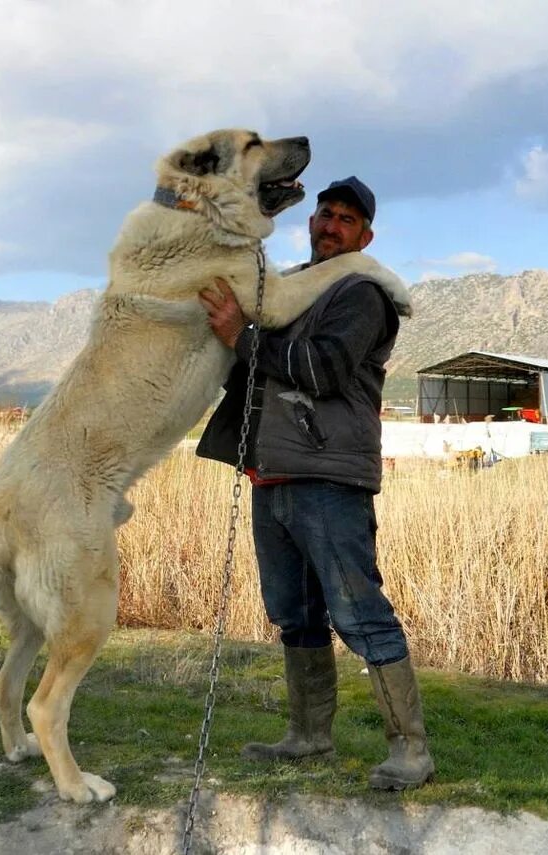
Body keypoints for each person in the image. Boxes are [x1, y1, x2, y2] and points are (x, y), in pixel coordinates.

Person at [196, 177, 434, 790]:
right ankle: (308, 736)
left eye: (346, 219)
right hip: (271, 474)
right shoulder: (294, 288)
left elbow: (322, 369)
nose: (330, 224)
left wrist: (242, 338)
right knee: (294, 614)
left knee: (360, 614)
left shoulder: (360, 294)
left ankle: (411, 751)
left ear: (366, 236)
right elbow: (251, 367)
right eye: (325, 214)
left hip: (329, 478)